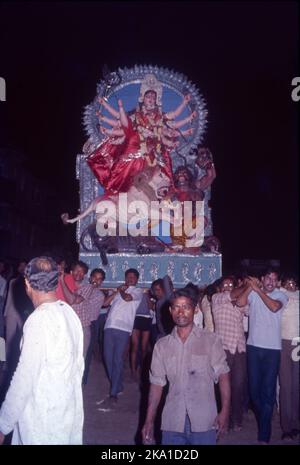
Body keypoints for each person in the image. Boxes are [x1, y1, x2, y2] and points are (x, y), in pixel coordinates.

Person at [0, 257, 84, 445]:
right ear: (56, 281)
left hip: (42, 421)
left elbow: (24, 378)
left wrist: (4, 424)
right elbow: (79, 367)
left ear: (27, 283)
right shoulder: (69, 313)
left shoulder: (38, 320)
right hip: (66, 414)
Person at [142, 289, 230, 445]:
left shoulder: (211, 340)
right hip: (172, 421)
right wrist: (149, 420)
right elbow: (156, 384)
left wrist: (225, 410)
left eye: (186, 307)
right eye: (176, 307)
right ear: (170, 311)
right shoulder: (162, 346)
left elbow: (223, 375)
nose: (181, 312)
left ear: (195, 309)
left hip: (205, 421)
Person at [87, 73, 196, 196]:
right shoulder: (135, 115)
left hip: (156, 149)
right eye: (148, 96)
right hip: (138, 146)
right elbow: (120, 121)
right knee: (128, 159)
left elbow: (174, 120)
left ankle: (165, 192)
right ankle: (120, 187)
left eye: (153, 97)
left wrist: (187, 112)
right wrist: (105, 113)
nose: (151, 99)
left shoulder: (161, 116)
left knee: (164, 166)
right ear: (142, 98)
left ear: (157, 100)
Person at [236, 268, 288, 444]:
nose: (271, 282)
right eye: (268, 278)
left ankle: (263, 436)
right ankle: (265, 416)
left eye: (274, 279)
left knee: (268, 391)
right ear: (262, 279)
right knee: (253, 391)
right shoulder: (254, 293)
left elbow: (274, 308)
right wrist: (250, 287)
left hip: (272, 349)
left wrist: (257, 289)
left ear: (277, 283)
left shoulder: (281, 295)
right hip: (253, 347)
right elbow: (240, 302)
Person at [102, 269, 143, 407]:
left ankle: (113, 393)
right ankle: (118, 385)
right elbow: (105, 303)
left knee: (118, 359)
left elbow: (127, 298)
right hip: (109, 326)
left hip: (124, 328)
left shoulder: (137, 292)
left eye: (133, 277)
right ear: (125, 278)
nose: (130, 279)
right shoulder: (118, 291)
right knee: (108, 358)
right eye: (128, 277)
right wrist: (116, 291)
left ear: (137, 280)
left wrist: (120, 291)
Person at [212, 276, 248, 431]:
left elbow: (243, 303)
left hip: (239, 348)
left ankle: (236, 420)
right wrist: (248, 285)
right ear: (220, 288)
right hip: (223, 348)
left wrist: (250, 287)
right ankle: (222, 421)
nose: (227, 286)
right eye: (225, 284)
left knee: (238, 386)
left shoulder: (240, 299)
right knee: (222, 387)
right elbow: (233, 295)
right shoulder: (217, 298)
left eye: (230, 284)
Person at [278, 274, 299, 440]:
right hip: (283, 343)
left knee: (296, 385)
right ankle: (286, 427)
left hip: (298, 343)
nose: (291, 285)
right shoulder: (279, 294)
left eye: (293, 282)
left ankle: (295, 424)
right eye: (288, 282)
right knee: (285, 386)